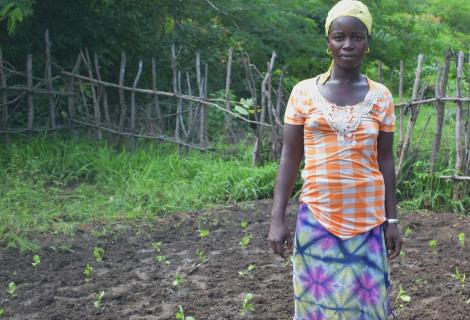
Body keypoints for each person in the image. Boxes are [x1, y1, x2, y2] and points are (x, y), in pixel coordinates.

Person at [268, 0, 403, 319]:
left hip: (368, 220)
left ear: (367, 43)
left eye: (357, 37)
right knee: (317, 304)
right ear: (328, 41)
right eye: (339, 36)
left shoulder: (381, 96)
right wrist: (277, 218)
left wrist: (392, 220)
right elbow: (290, 157)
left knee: (367, 304)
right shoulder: (303, 93)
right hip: (317, 216)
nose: (348, 44)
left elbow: (385, 161)